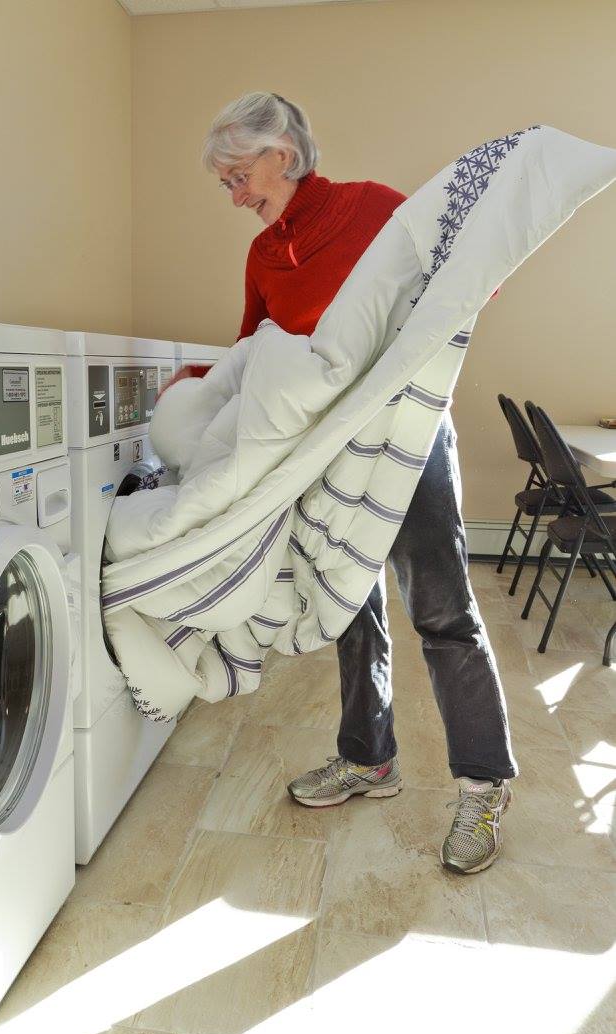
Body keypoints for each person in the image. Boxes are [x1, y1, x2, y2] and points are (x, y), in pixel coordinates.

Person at [178, 91, 517, 874]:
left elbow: (471, 282)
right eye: (223, 182)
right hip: (325, 450)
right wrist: (190, 384)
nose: (234, 195)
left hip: (406, 439)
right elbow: (254, 354)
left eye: (238, 175)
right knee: (349, 604)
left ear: (283, 155)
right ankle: (369, 759)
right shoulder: (265, 255)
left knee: (441, 607)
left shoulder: (373, 212)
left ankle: (485, 783)